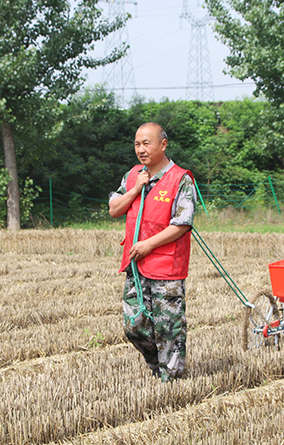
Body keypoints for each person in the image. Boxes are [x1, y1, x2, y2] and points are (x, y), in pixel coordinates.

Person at [108, 122, 196, 382]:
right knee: (133, 327)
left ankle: (172, 382)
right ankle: (157, 366)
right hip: (136, 266)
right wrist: (135, 189)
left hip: (166, 267)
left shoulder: (181, 179)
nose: (141, 149)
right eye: (137, 144)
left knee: (168, 329)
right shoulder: (132, 175)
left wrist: (149, 244)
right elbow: (114, 209)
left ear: (163, 144)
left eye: (146, 143)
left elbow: (182, 224)